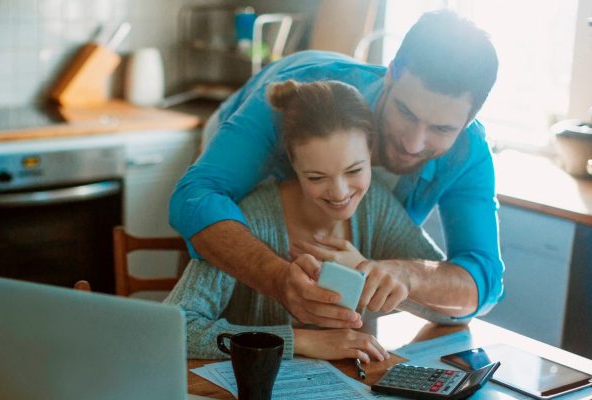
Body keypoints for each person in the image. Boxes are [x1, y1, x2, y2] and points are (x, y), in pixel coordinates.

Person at [169, 10, 503, 330]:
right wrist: (276, 278)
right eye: (406, 112)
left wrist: (408, 274)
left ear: (469, 120)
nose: (413, 144)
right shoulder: (299, 100)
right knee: (218, 281)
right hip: (240, 142)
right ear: (391, 73)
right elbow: (196, 198)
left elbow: (483, 281)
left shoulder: (469, 153)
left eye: (442, 129)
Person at [165, 80, 458, 361]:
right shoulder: (249, 218)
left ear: (371, 150)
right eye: (317, 177)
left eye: (354, 170)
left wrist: (387, 278)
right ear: (293, 164)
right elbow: (175, 328)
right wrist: (302, 341)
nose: (340, 193)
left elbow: (452, 310)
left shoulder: (375, 206)